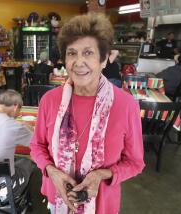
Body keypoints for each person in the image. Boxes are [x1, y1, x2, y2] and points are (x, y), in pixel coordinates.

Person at [30, 13, 145, 214]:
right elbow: (37, 146)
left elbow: (135, 162)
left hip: (101, 204)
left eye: (88, 53)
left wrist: (102, 174)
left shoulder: (125, 105)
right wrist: (52, 171)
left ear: (104, 59)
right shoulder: (50, 100)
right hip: (58, 200)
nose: (78, 62)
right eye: (72, 53)